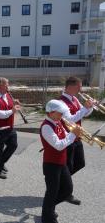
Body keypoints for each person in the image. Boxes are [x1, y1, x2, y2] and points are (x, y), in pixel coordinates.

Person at [40, 99, 81, 223]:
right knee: (52, 192)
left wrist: (74, 133)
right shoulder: (46, 126)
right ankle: (47, 217)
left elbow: (65, 138)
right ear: (51, 112)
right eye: (60, 113)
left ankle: (48, 209)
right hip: (51, 164)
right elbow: (58, 145)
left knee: (67, 189)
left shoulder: (58, 122)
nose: (62, 115)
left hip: (61, 161)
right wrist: (73, 134)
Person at [59, 76, 93, 205]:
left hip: (77, 136)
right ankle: (66, 192)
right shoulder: (61, 102)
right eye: (79, 86)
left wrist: (89, 107)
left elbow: (84, 114)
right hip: (67, 138)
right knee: (68, 165)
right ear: (70, 87)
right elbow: (70, 119)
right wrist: (84, 108)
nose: (81, 89)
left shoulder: (74, 99)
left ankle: (61, 183)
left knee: (80, 163)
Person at [0, 77, 20, 179]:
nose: (8, 86)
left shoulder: (7, 95)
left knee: (13, 145)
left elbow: (8, 106)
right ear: (0, 86)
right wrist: (12, 111)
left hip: (9, 126)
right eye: (6, 85)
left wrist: (14, 104)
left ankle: (0, 163)